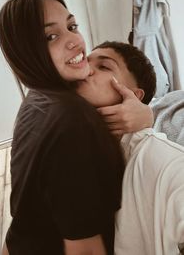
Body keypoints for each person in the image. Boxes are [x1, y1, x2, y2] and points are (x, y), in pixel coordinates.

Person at [0, 0, 129, 255]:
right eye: (51, 36)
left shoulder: (36, 99)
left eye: (72, 26)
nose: (75, 41)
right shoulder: (71, 119)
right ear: (26, 52)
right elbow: (85, 250)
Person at [76, 41, 184, 255]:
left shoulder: (168, 165)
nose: (86, 69)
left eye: (104, 66)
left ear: (134, 95)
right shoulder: (67, 137)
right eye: (86, 61)